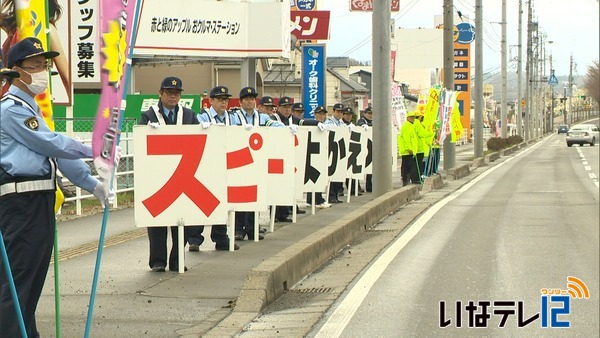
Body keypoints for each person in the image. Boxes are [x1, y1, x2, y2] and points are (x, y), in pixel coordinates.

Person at [0, 37, 116, 337]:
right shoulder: (11, 109)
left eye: (45, 65)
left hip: (37, 202)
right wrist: (94, 148)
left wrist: (92, 184)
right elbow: (50, 143)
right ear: (15, 72)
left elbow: (56, 154)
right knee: (19, 282)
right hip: (21, 203)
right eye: (35, 66)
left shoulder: (31, 108)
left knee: (28, 282)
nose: (43, 71)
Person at [139, 76, 204, 270]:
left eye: (176, 93)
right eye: (169, 93)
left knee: (182, 221)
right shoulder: (149, 115)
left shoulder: (189, 115)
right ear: (160, 93)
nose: (173, 97)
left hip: (183, 174)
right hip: (157, 176)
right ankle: (158, 261)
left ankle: (177, 261)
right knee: (157, 220)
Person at [193, 85, 241, 250]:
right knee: (200, 201)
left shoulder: (232, 117)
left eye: (226, 99)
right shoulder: (203, 117)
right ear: (211, 100)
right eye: (220, 99)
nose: (223, 102)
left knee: (223, 202)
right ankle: (194, 239)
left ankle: (221, 237)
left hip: (226, 164)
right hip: (205, 165)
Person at [233, 87, 284, 241]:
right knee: (240, 196)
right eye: (247, 99)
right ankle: (238, 229)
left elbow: (274, 125)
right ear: (241, 101)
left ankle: (252, 228)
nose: (250, 101)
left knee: (256, 196)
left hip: (257, 161)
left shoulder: (261, 117)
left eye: (252, 99)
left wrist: (287, 129)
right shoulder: (235, 116)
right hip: (239, 161)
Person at [1, 0, 69, 96]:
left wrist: (73, 105)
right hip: (11, 91)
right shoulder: (14, 27)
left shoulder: (48, 29)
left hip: (37, 98)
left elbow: (66, 74)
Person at [270, 96, 320, 222]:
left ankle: (284, 213)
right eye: (284, 107)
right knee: (276, 186)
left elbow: (305, 122)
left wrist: (318, 123)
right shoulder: (274, 118)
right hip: (276, 157)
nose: (287, 110)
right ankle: (275, 214)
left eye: (289, 108)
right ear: (279, 108)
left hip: (290, 156)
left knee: (288, 185)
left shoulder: (293, 119)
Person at [305, 105, 331, 209]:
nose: (321, 116)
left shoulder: (326, 125)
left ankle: (318, 199)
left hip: (322, 153)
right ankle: (313, 200)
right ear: (315, 115)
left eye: (323, 114)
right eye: (319, 114)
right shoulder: (311, 124)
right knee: (313, 177)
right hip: (312, 153)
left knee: (320, 177)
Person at [324, 103, 345, 203]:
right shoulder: (329, 122)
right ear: (333, 112)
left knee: (338, 175)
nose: (339, 114)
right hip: (331, 151)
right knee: (331, 175)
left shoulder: (342, 123)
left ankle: (336, 195)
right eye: (338, 111)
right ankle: (331, 195)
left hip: (340, 151)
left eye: (341, 112)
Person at [341, 107, 363, 196]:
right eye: (346, 114)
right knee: (341, 171)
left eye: (350, 115)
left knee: (352, 170)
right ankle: (340, 190)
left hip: (352, 150)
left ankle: (355, 188)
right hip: (342, 149)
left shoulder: (353, 125)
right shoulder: (340, 124)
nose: (348, 117)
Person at [398, 111, 418, 186]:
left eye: (414, 117)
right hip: (407, 151)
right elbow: (406, 139)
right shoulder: (407, 126)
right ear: (408, 118)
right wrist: (409, 148)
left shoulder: (410, 125)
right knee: (406, 166)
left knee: (408, 166)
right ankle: (405, 181)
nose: (413, 119)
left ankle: (407, 180)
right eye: (412, 117)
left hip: (410, 150)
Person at [413, 111, 434, 182]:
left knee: (417, 164)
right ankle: (417, 178)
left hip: (417, 147)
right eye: (422, 117)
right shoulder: (417, 124)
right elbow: (422, 134)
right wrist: (432, 133)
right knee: (419, 165)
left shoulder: (415, 123)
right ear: (419, 117)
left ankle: (416, 178)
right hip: (420, 148)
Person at [357, 107, 373, 192]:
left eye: (372, 114)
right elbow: (359, 124)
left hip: (371, 148)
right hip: (362, 148)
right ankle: (357, 187)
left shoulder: (374, 122)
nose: (370, 115)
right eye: (369, 113)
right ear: (365, 113)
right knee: (359, 168)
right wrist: (363, 126)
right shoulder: (362, 121)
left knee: (370, 168)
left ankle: (369, 186)